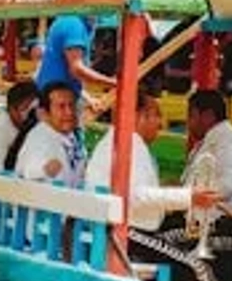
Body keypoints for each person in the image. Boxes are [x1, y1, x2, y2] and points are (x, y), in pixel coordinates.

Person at [85, 88, 218, 233]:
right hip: (125, 233)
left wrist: (171, 191)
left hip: (120, 228)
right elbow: (137, 196)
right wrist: (189, 197)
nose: (160, 124)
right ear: (137, 116)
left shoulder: (123, 140)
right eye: (157, 115)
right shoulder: (129, 142)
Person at [181, 89, 232, 226]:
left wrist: (190, 195)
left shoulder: (231, 142)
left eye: (191, 116)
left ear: (208, 116)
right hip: (204, 217)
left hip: (225, 223)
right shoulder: (214, 139)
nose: (188, 123)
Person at [13, 81, 86, 187]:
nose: (69, 112)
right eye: (61, 106)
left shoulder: (70, 135)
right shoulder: (40, 138)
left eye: (72, 105)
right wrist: (44, 170)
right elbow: (28, 170)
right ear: (44, 114)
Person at [34, 15, 114, 100]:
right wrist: (112, 82)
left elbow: (65, 74)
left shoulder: (72, 22)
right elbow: (76, 70)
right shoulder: (74, 25)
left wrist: (89, 99)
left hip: (55, 96)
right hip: (57, 98)